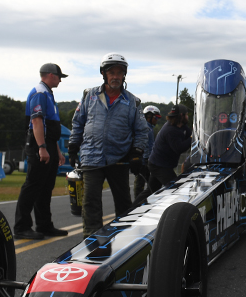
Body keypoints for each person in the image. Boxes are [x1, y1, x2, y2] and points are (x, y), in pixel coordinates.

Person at [67, 53, 148, 236]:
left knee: (123, 202)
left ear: (124, 75)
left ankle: (124, 237)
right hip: (91, 157)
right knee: (90, 201)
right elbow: (78, 122)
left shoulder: (133, 102)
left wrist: (137, 153)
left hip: (118, 159)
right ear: (103, 74)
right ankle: (91, 238)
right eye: (112, 73)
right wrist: (73, 147)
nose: (115, 77)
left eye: (119, 73)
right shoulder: (89, 96)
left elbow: (142, 130)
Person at [14, 63, 69, 240]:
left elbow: (50, 127)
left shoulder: (48, 93)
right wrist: (42, 147)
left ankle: (44, 225)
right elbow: (37, 122)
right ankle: (22, 226)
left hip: (48, 143)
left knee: (46, 187)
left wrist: (56, 150)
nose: (60, 80)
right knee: (33, 185)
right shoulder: (40, 93)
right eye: (59, 76)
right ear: (51, 75)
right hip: (39, 144)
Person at [148, 104, 193, 192]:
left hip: (160, 163)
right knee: (175, 188)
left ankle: (140, 201)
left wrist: (195, 135)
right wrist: (192, 138)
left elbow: (190, 134)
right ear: (181, 115)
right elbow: (179, 148)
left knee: (151, 191)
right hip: (159, 165)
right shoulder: (171, 130)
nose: (187, 117)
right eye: (186, 114)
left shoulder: (181, 126)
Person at [134, 105, 162, 198]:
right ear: (149, 116)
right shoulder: (147, 129)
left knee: (143, 184)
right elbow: (148, 147)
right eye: (156, 117)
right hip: (144, 161)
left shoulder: (149, 128)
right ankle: (138, 203)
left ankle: (140, 201)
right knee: (141, 184)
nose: (156, 120)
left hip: (145, 160)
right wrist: (148, 159)